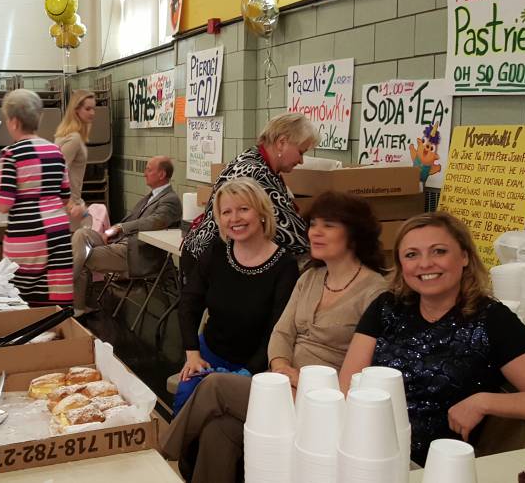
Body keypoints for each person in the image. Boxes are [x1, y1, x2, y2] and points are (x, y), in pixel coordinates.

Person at [163, 191, 389, 482]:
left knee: (214, 385)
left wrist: (300, 380)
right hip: (280, 383)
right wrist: (281, 368)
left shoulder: (375, 291)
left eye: (329, 225)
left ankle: (158, 453)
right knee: (219, 428)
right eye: (313, 224)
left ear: (355, 233)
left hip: (322, 400)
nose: (316, 232)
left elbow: (360, 371)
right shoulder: (310, 278)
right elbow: (281, 332)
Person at [339, 212, 525, 466]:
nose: (425, 263)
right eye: (411, 255)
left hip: (438, 467)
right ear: (401, 264)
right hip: (366, 450)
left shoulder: (492, 320)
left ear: (464, 256)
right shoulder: (386, 307)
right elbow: (348, 389)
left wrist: (484, 402)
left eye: (439, 251)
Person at [174, 178, 300, 413]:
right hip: (210, 354)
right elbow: (189, 304)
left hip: (257, 364)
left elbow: (277, 330)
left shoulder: (285, 266)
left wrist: (249, 371)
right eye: (226, 212)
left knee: (227, 416)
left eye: (243, 209)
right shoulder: (216, 252)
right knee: (186, 398)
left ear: (261, 212)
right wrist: (192, 354)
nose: (234, 218)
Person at [181, 112, 318, 281]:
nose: (301, 161)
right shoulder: (256, 173)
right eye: (301, 152)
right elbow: (290, 233)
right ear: (281, 142)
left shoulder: (255, 161)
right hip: (211, 263)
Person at [70, 155, 181, 317]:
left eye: (149, 169)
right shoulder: (152, 196)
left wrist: (120, 227)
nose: (144, 173)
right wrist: (112, 231)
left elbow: (154, 222)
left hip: (137, 252)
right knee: (81, 234)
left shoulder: (171, 200)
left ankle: (73, 298)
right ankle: (73, 296)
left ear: (162, 174)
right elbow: (133, 222)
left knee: (82, 257)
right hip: (122, 243)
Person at [0, 89, 73, 307]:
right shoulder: (56, 151)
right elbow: (65, 197)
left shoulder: (11, 154)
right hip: (58, 231)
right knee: (56, 295)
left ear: (14, 122)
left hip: (28, 234)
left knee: (19, 297)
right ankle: (60, 326)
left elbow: (4, 205)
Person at [54, 89, 95, 228]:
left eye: (93, 109)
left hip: (71, 204)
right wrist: (71, 205)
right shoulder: (74, 139)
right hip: (69, 208)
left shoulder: (71, 135)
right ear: (76, 110)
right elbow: (58, 174)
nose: (92, 113)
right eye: (87, 109)